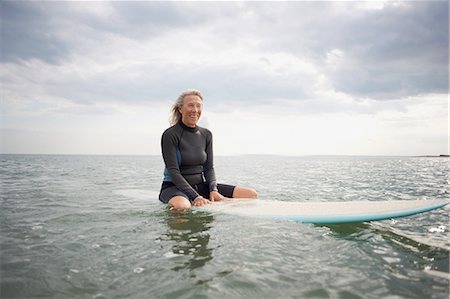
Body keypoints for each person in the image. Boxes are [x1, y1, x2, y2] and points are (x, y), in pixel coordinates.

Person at [159, 89, 257, 210]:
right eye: (190, 105)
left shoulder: (206, 134)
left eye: (198, 106)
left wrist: (213, 190)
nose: (195, 110)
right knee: (182, 206)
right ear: (180, 108)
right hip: (174, 187)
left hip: (200, 186)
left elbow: (209, 168)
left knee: (250, 194)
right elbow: (173, 172)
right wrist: (195, 197)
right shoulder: (170, 135)